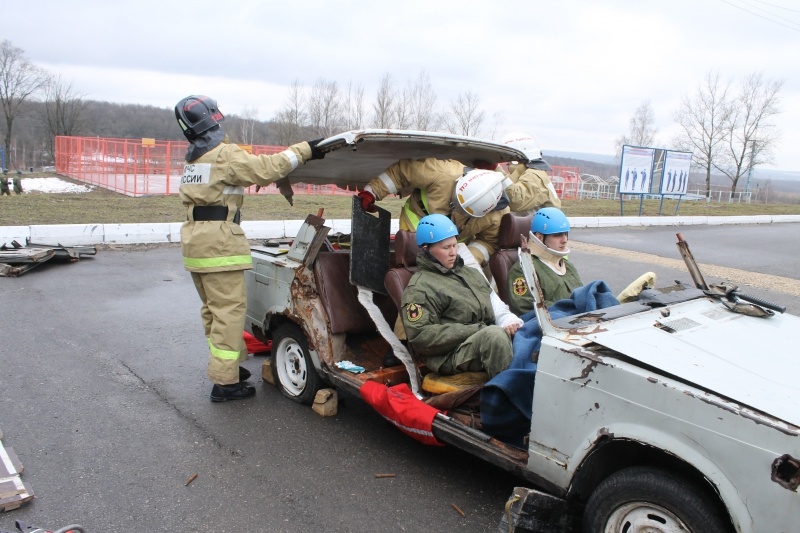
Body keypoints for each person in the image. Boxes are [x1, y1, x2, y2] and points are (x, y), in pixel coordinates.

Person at [175, 94, 325, 402]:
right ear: (214, 120)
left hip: (196, 243)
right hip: (219, 242)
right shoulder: (223, 155)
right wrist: (305, 149)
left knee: (213, 311)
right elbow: (267, 169)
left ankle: (226, 365)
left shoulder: (194, 159)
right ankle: (225, 383)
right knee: (229, 312)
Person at [401, 214, 519, 378]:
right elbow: (421, 336)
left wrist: (510, 321)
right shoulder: (420, 287)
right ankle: (503, 398)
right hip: (451, 355)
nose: (453, 253)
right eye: (445, 248)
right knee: (495, 337)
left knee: (530, 333)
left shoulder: (471, 273)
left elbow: (495, 304)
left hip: (484, 339)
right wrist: (476, 330)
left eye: (455, 246)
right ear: (427, 249)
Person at [506, 207, 583, 315]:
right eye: (557, 235)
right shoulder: (524, 269)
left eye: (565, 234)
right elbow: (525, 306)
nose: (564, 240)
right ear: (539, 237)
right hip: (553, 327)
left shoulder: (568, 267)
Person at [500, 132, 561, 214]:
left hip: (537, 226)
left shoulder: (534, 176)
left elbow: (516, 201)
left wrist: (497, 172)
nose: (507, 164)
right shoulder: (530, 172)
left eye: (510, 160)